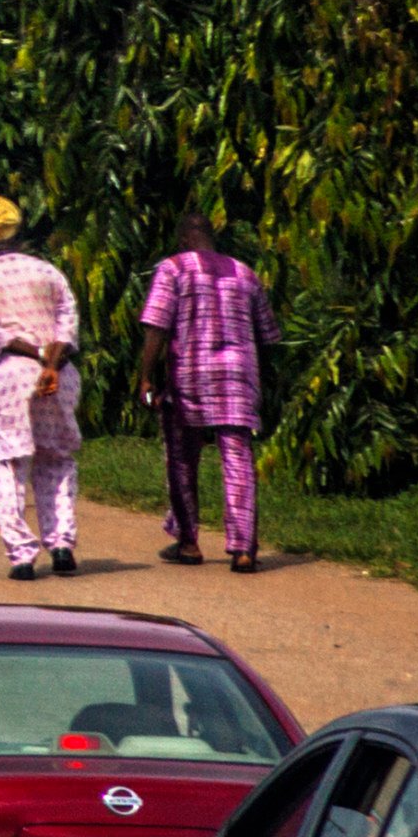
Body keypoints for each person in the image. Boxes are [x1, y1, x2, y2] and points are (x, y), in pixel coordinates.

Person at [138, 212, 277, 573]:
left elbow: (156, 326)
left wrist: (145, 376)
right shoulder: (246, 273)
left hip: (190, 376)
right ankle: (244, 548)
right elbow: (267, 335)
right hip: (238, 375)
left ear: (184, 239)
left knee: (182, 457)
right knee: (238, 458)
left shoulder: (173, 269)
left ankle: (188, 542)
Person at [0, 195, 80, 581]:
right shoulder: (49, 273)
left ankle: (22, 554)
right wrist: (50, 358)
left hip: (11, 378)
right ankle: (61, 544)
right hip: (58, 377)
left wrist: (34, 353)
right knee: (56, 459)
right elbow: (67, 321)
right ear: (20, 229)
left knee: (7, 463)